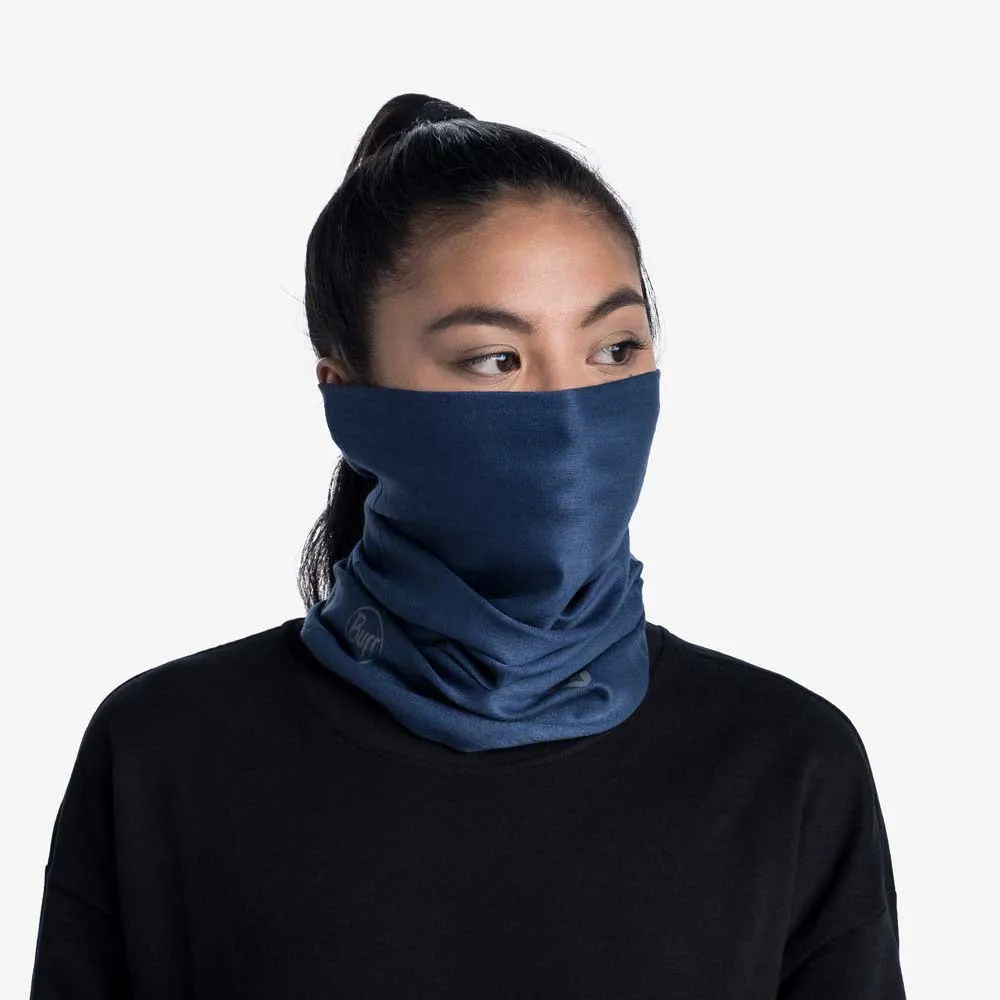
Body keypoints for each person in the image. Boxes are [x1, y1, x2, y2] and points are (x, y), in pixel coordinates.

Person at [29, 93, 906, 998]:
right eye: (496, 359)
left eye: (614, 350)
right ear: (350, 399)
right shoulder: (167, 756)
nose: (570, 411)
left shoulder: (787, 765)